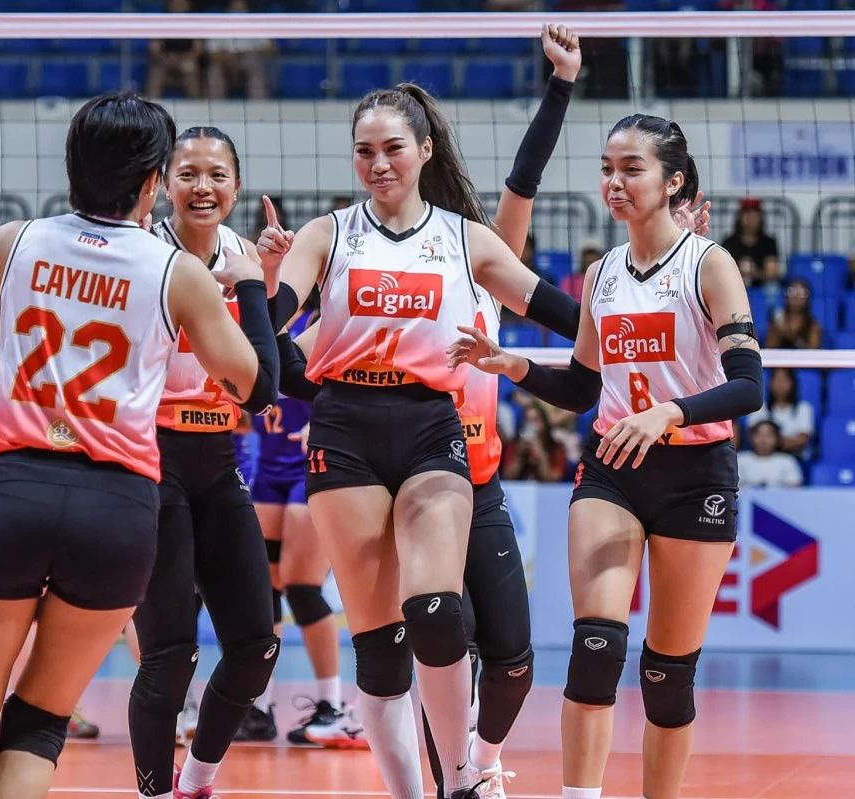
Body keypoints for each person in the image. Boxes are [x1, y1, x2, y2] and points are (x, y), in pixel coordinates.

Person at [0, 92, 279, 799]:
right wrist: (250, 290)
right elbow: (256, 389)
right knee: (38, 720)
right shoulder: (175, 271)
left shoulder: (17, 241)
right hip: (119, 507)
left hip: (18, 490)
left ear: (72, 163)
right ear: (154, 180)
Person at [261, 68, 586, 797]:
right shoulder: (327, 233)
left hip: (431, 424)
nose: (378, 164)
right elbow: (271, 339)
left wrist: (627, 311)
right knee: (380, 653)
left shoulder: (466, 241)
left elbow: (558, 310)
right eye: (364, 150)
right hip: (342, 426)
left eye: (393, 149)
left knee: (438, 612)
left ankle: (464, 777)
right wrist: (263, 282)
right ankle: (418, 790)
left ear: (426, 149)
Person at [448, 113, 762, 799]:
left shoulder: (710, 264)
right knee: (594, 649)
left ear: (673, 180)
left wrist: (671, 411)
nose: (614, 182)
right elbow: (585, 386)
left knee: (667, 673)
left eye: (632, 168)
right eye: (607, 168)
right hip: (613, 469)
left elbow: (749, 387)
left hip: (696, 475)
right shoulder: (602, 275)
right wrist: (518, 367)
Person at [131, 125, 282, 799]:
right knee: (170, 656)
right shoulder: (141, 252)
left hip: (220, 464)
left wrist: (265, 286)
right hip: (150, 461)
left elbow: (262, 368)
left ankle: (197, 779)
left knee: (257, 647)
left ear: (237, 187)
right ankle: (155, 793)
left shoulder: (245, 255)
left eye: (217, 175)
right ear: (164, 184)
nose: (203, 186)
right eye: (188, 173)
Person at [240, 289, 356, 748]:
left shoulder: (323, 316)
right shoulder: (249, 315)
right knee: (263, 588)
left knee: (302, 587)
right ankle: (260, 704)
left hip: (311, 463)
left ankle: (333, 702)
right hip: (267, 468)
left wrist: (329, 416)